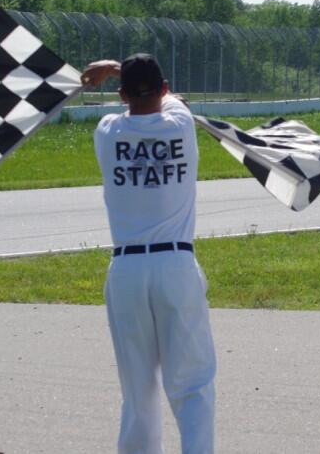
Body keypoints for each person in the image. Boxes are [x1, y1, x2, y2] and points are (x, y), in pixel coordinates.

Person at [82, 54, 216, 454]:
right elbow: (167, 96)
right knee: (192, 385)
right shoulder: (181, 124)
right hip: (175, 263)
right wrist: (121, 69)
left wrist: (111, 71)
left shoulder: (108, 131)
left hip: (125, 268)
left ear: (121, 95)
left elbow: (140, 94)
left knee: (137, 390)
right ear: (163, 88)